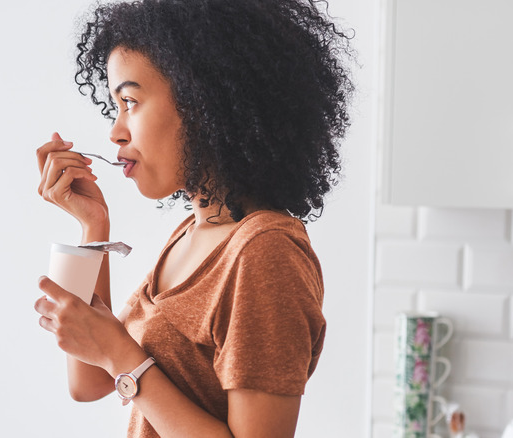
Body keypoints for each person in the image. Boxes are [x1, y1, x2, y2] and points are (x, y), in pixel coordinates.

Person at [33, 0, 353, 436]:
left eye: (130, 101)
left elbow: (116, 360)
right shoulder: (191, 233)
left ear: (204, 101)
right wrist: (93, 227)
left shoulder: (265, 253)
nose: (115, 131)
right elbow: (88, 382)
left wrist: (119, 354)